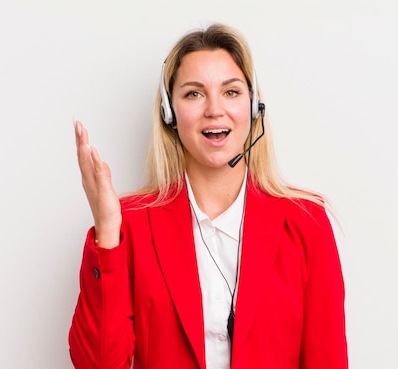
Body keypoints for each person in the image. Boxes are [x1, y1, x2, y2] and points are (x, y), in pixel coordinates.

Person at [69, 23, 347, 369]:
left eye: (231, 92)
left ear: (254, 106)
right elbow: (99, 364)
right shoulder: (131, 224)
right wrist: (108, 229)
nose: (215, 109)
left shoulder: (306, 223)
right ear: (169, 114)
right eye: (194, 94)